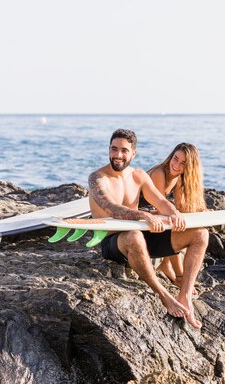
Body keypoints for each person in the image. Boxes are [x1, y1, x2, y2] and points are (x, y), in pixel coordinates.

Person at [89, 129, 209, 329]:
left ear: (133, 153)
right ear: (109, 149)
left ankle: (185, 295)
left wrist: (174, 213)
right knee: (134, 236)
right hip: (114, 243)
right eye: (114, 149)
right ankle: (164, 295)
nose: (118, 155)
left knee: (200, 234)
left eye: (124, 151)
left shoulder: (139, 176)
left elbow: (161, 201)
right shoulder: (97, 178)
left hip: (143, 237)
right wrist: (145, 215)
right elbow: (111, 208)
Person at [145, 143, 206, 292]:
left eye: (183, 163)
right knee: (171, 222)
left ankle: (166, 265)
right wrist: (175, 215)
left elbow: (181, 207)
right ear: (171, 156)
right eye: (175, 158)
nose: (177, 165)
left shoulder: (178, 177)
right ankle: (179, 276)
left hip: (152, 219)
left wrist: (201, 211)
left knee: (176, 220)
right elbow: (161, 208)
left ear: (190, 167)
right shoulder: (159, 173)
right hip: (139, 219)